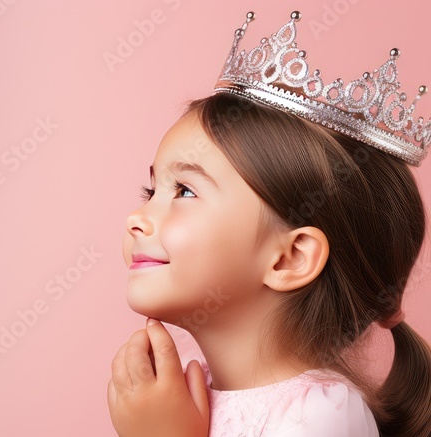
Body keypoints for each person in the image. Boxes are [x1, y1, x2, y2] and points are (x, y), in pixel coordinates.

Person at [108, 10, 431, 437]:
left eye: (184, 191)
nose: (136, 218)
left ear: (290, 258)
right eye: (152, 193)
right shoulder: (189, 391)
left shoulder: (320, 417)